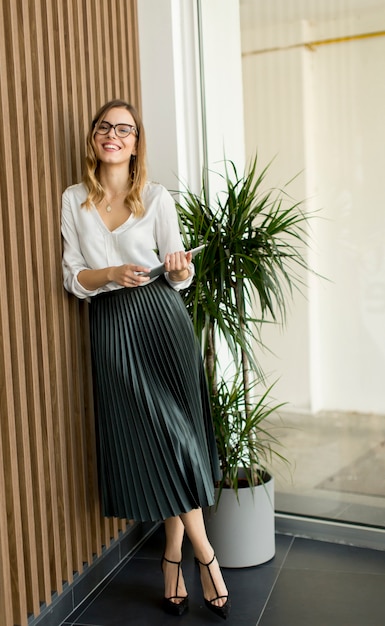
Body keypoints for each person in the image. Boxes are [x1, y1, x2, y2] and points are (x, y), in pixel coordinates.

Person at [61, 99, 230, 619]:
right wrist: (110, 274)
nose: (113, 135)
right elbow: (72, 274)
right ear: (94, 139)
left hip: (162, 321)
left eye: (124, 129)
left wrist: (178, 268)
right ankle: (207, 557)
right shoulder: (74, 200)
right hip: (113, 326)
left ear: (135, 143)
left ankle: (173, 556)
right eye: (104, 127)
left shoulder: (155, 198)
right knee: (163, 437)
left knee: (178, 436)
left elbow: (180, 274)